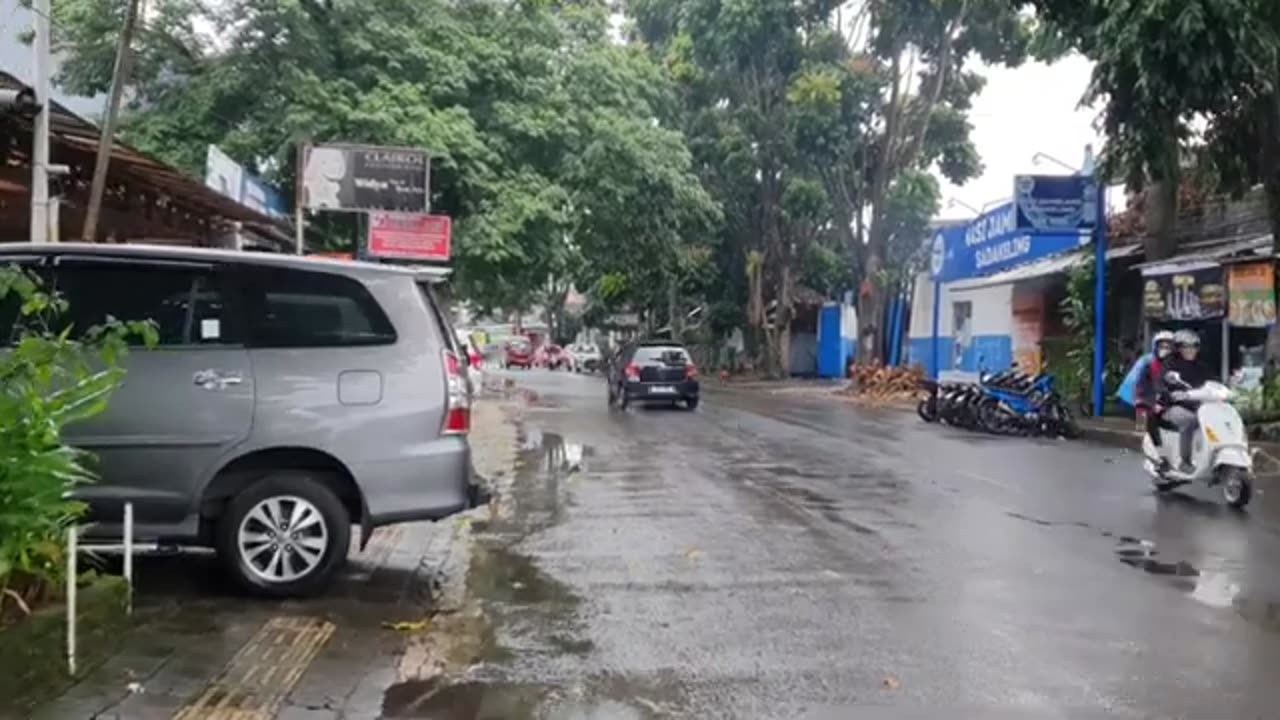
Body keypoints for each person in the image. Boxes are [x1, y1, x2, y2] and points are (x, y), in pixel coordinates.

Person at [1159, 329, 1214, 474]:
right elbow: (1161, 383)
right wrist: (1172, 393)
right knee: (1189, 421)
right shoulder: (1170, 364)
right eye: (1186, 347)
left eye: (1194, 346)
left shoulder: (1201, 366)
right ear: (1178, 349)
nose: (1191, 350)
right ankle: (1185, 461)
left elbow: (1213, 382)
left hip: (1198, 407)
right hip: (1173, 407)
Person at [1134, 331, 1176, 469]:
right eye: (1162, 346)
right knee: (1143, 429)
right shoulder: (1149, 365)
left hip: (1167, 404)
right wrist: (1152, 403)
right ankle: (1158, 458)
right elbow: (1141, 388)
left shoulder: (1175, 368)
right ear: (1155, 347)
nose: (1165, 350)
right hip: (1146, 404)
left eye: (1168, 347)